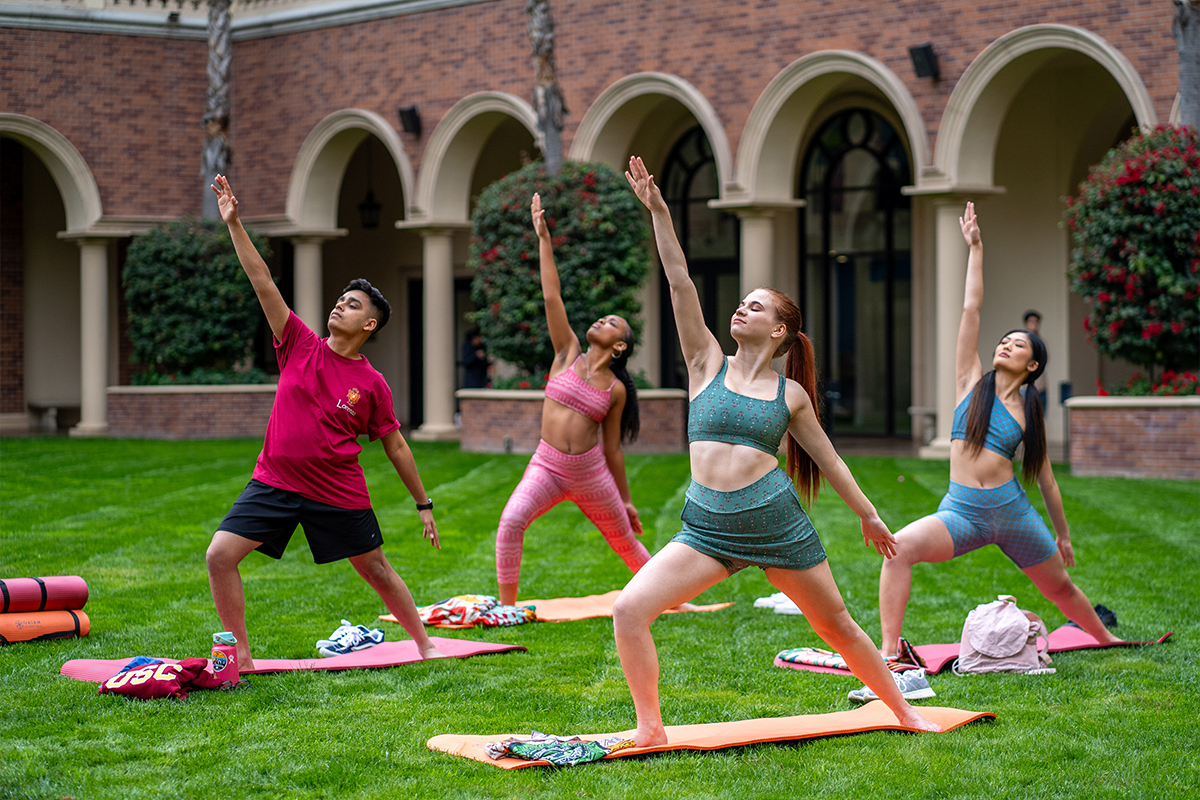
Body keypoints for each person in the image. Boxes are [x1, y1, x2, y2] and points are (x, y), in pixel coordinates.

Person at [613, 156, 941, 747]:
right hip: (706, 526)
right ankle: (651, 727)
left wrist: (868, 513)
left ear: (780, 332)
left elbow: (830, 460)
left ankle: (903, 711)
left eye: (756, 306)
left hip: (775, 522)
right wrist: (660, 212)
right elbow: (680, 282)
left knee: (836, 625)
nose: (741, 308)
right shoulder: (703, 362)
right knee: (629, 610)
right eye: (742, 302)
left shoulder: (790, 395)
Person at [205, 175, 446, 669]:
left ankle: (425, 643)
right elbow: (262, 281)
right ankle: (241, 655)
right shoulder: (298, 343)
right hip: (273, 480)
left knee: (376, 568)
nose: (341, 303)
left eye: (353, 304)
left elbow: (396, 446)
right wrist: (234, 224)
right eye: (341, 298)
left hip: (336, 488)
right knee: (219, 556)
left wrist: (423, 504)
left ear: (369, 325)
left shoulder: (372, 383)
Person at [877, 202, 1122, 660]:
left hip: (1012, 512)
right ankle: (888, 650)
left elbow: (1045, 478)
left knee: (1061, 589)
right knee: (899, 550)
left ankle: (1106, 638)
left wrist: (1062, 534)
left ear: (1032, 366)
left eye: (1017, 343)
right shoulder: (970, 380)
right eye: (1003, 339)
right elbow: (971, 306)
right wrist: (976, 247)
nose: (1004, 343)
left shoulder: (1030, 412)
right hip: (961, 512)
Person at [493, 193, 651, 606]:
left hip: (589, 472)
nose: (602, 319)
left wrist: (627, 498)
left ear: (619, 347)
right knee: (510, 521)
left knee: (626, 543)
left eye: (613, 323)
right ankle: (506, 608)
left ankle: (669, 597)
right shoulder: (567, 353)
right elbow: (551, 297)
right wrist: (543, 238)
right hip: (546, 463)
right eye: (603, 317)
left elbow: (613, 448)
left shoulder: (614, 390)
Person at [1022, 310, 1048, 409]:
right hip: (1025, 388)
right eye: (1031, 322)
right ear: (1026, 324)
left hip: (1041, 388)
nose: (1034, 325)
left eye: (1036, 322)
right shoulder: (1021, 342)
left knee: (1040, 419)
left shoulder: (1042, 342)